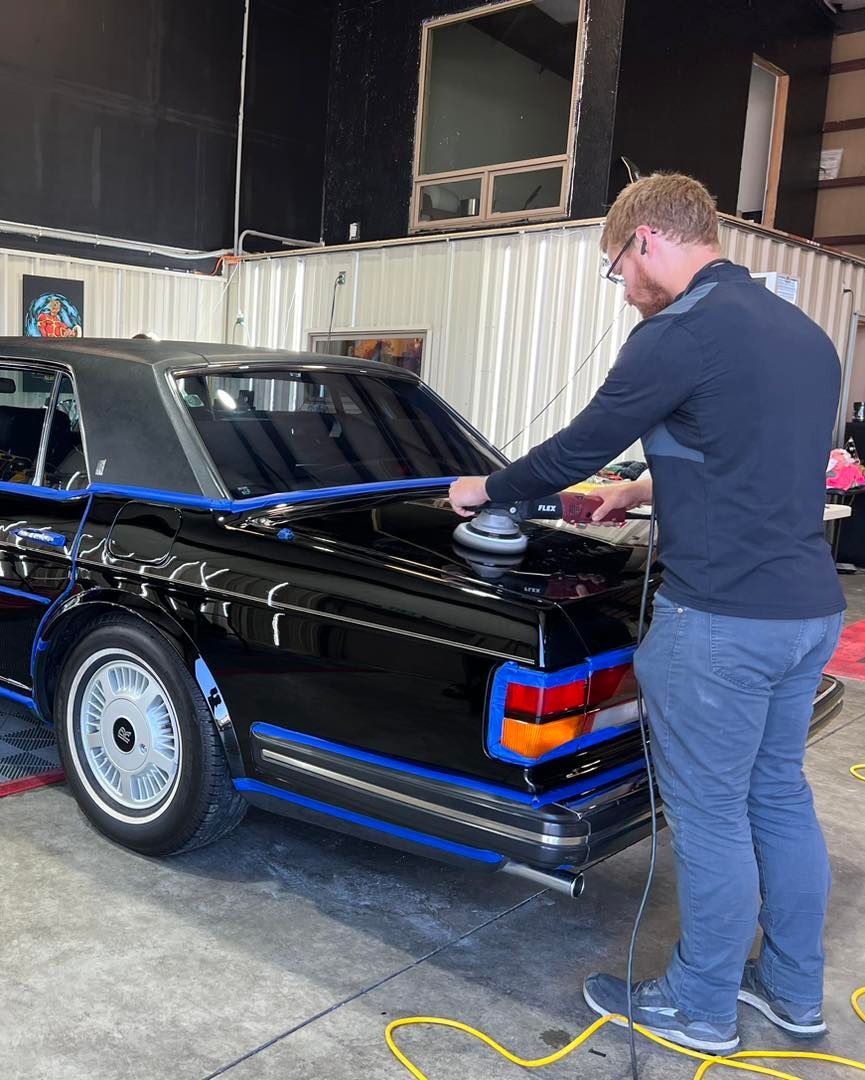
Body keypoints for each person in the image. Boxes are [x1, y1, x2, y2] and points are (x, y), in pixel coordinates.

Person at [448, 173, 845, 1054]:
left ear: (647, 242)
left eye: (616, 269)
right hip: (807, 609)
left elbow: (575, 444)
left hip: (722, 623)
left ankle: (696, 1006)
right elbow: (749, 458)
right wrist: (636, 489)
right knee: (776, 799)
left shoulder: (678, 333)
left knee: (708, 817)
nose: (622, 288)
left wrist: (486, 489)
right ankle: (790, 990)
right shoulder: (805, 334)